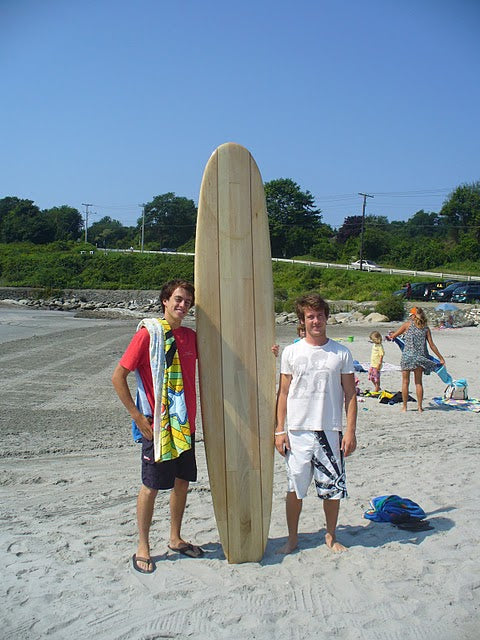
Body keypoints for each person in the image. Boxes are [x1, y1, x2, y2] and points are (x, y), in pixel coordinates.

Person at [112, 279, 203, 574]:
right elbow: (118, 377)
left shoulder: (190, 337)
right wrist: (138, 417)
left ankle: (175, 538)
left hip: (185, 426)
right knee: (151, 486)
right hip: (158, 426)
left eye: (187, 302)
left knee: (182, 483)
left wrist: (272, 350)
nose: (182, 305)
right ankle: (143, 546)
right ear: (165, 300)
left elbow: (225, 358)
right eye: (178, 299)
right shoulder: (147, 336)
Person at [274, 293, 357, 555]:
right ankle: (292, 538)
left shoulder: (341, 353)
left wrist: (350, 431)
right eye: (310, 316)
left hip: (329, 429)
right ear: (303, 320)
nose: (316, 320)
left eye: (319, 315)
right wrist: (279, 429)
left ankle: (331, 535)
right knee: (294, 488)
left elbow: (350, 394)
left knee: (332, 490)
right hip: (297, 431)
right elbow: (283, 392)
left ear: (326, 317)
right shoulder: (291, 351)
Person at [386, 306, 445, 413]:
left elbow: (393, 336)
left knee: (405, 382)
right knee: (418, 383)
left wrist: (391, 334)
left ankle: (404, 407)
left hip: (407, 357)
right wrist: (441, 358)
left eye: (410, 315)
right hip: (420, 358)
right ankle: (419, 407)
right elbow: (431, 345)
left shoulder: (407, 326)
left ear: (413, 315)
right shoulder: (425, 328)